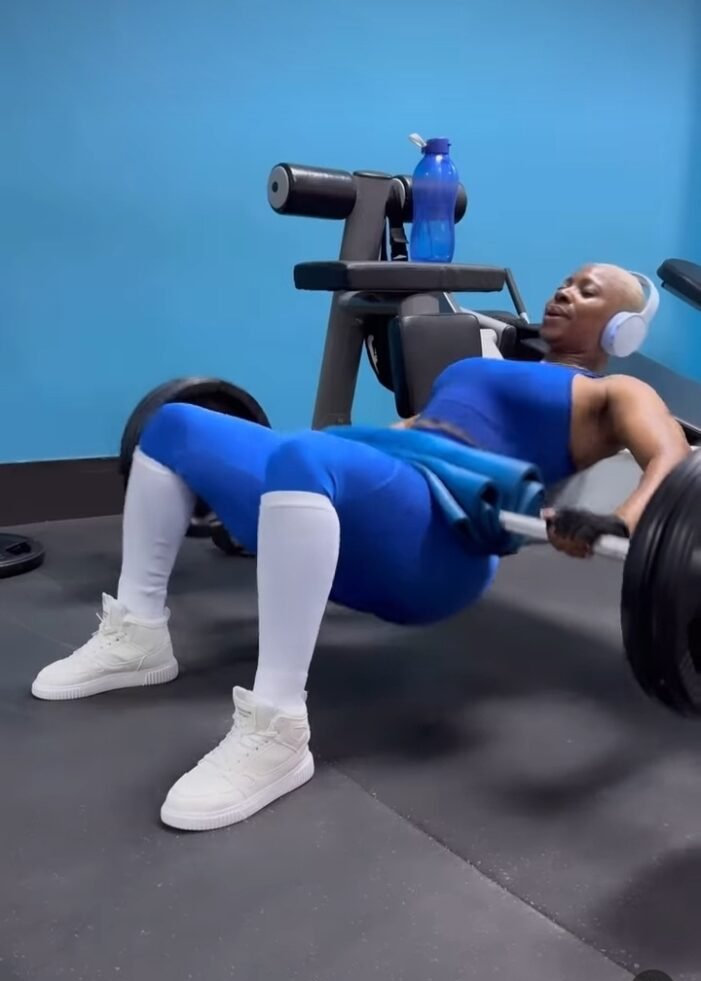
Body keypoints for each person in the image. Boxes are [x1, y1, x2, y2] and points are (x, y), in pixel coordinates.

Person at [31, 263, 690, 832]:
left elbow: (670, 457)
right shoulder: (480, 365)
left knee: (305, 455)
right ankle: (138, 635)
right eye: (566, 282)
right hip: (387, 492)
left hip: (441, 543)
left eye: (588, 292)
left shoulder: (615, 391)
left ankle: (278, 731)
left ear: (621, 330)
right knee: (176, 424)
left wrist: (619, 524)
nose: (565, 293)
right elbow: (407, 431)